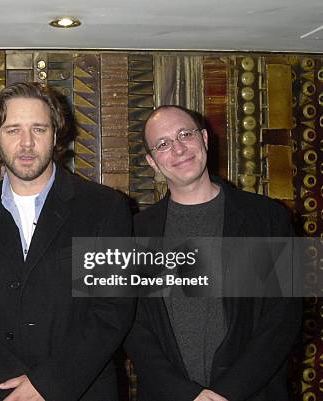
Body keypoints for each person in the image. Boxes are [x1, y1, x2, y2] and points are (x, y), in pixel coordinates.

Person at [0, 82, 135, 401]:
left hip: (80, 390)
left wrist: (49, 382)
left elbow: (112, 309)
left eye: (39, 129)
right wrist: (9, 379)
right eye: (13, 130)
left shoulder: (104, 208)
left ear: (56, 136)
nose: (26, 143)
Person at [124, 105, 302, 401]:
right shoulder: (133, 232)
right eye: (164, 144)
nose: (179, 149)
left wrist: (227, 392)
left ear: (205, 138)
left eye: (185, 134)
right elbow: (132, 328)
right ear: (152, 161)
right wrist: (185, 394)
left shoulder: (267, 217)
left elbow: (283, 319)